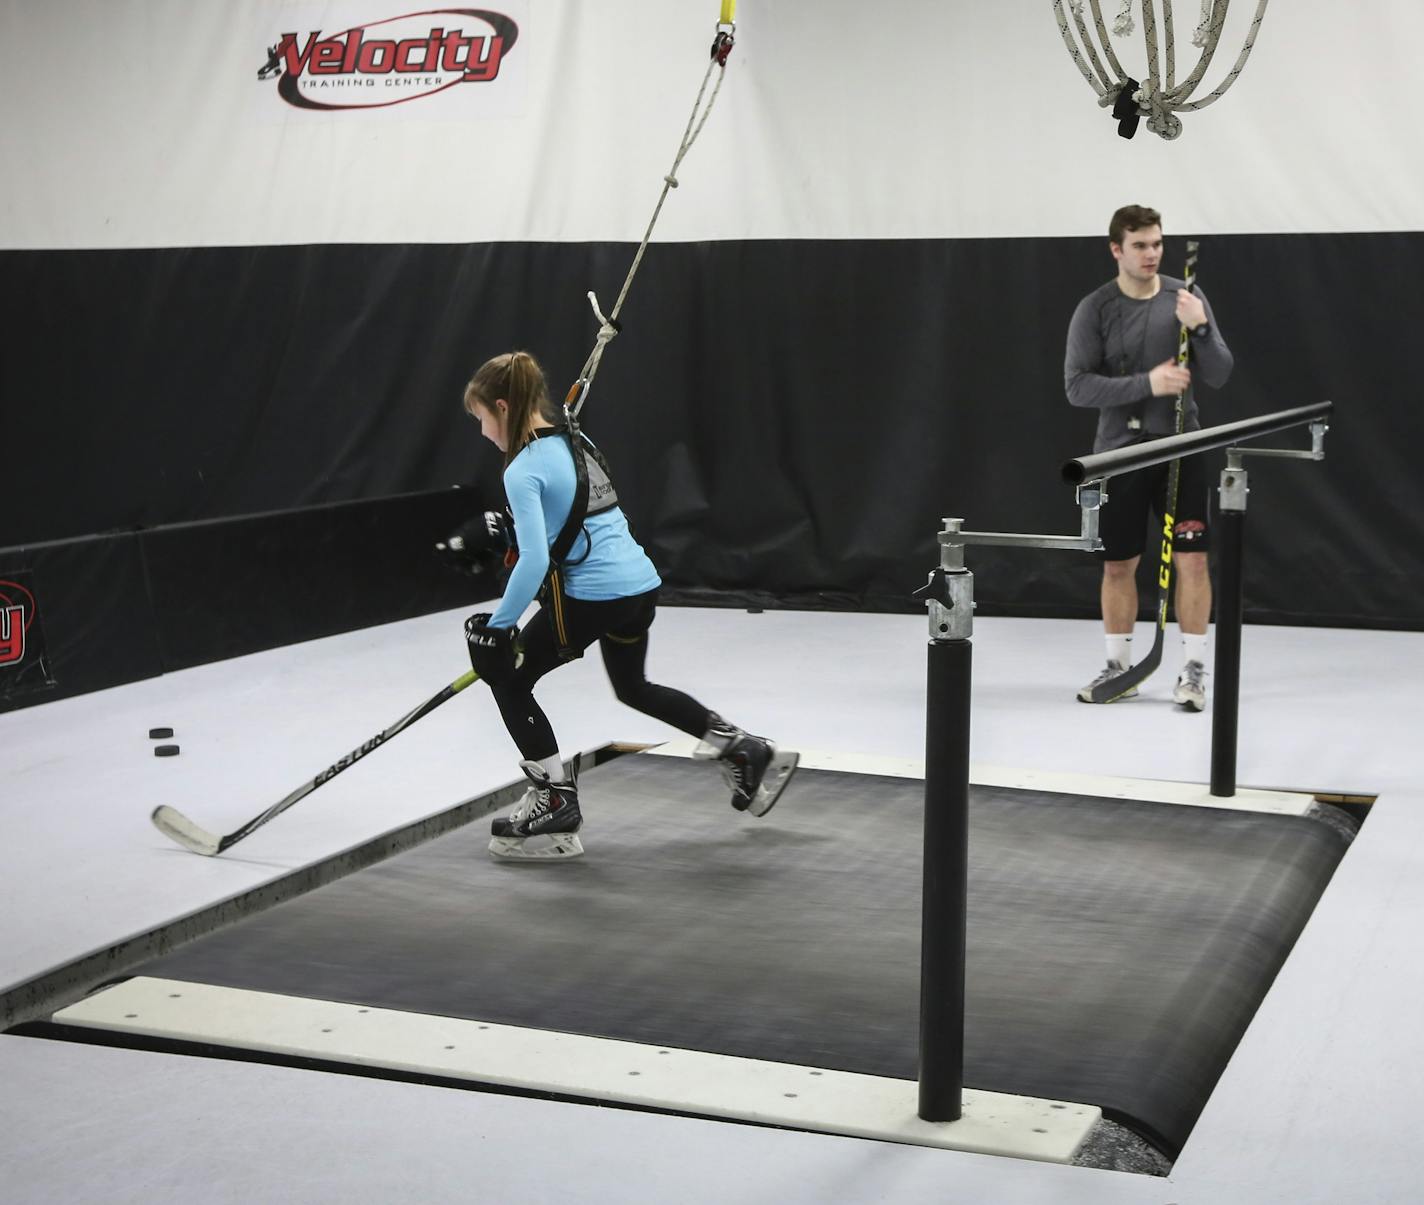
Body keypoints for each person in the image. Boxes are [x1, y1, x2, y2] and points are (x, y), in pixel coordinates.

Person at [460, 350, 793, 860]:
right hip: (639, 587)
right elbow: (574, 516)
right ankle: (741, 747)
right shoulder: (576, 439)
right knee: (633, 686)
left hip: (596, 597)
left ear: (502, 407)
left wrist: (498, 629)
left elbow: (532, 564)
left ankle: (554, 800)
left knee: (508, 678)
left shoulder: (522, 468)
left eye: (481, 419)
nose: (483, 432)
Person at [1064, 205, 1235, 711]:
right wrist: (1149, 384)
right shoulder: (1095, 309)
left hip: (1182, 445)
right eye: (1139, 245)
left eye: (1156, 244)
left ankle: (1193, 668)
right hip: (1119, 455)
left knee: (1193, 559)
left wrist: (1200, 328)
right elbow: (1076, 387)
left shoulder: (1185, 297)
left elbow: (1222, 372)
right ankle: (1121, 668)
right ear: (1117, 249)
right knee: (1119, 566)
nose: (1151, 253)